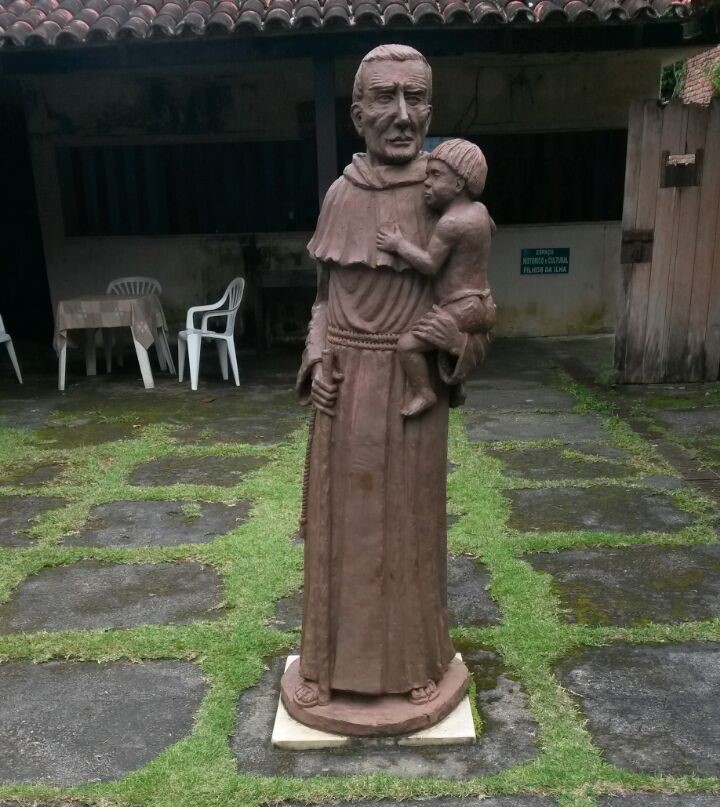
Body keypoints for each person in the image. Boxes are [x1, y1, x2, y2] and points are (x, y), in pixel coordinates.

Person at [291, 45, 492, 720]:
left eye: (417, 99)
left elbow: (478, 308)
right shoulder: (340, 195)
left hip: (413, 401)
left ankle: (415, 667)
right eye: (386, 98)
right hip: (344, 393)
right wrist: (317, 359)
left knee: (409, 535)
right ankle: (323, 668)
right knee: (338, 536)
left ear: (431, 108)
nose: (403, 116)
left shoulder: (450, 201)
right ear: (357, 113)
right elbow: (321, 300)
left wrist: (452, 343)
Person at [376, 139, 496, 417]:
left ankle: (424, 392)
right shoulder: (480, 212)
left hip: (461, 306)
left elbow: (430, 265)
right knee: (439, 343)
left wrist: (398, 245)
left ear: (459, 184)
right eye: (427, 175)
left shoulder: (451, 222)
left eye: (436, 176)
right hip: (483, 302)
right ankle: (456, 385)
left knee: (407, 346)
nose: (426, 183)